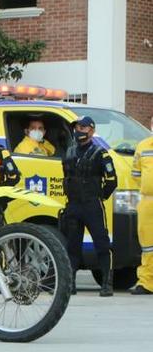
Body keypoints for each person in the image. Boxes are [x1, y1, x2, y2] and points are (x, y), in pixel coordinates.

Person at [61, 116, 118, 297]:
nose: (79, 130)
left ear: (92, 131)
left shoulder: (101, 154)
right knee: (72, 247)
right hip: (74, 206)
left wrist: (100, 196)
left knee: (101, 244)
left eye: (83, 127)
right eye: (77, 127)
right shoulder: (69, 152)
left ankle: (106, 284)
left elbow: (112, 181)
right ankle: (71, 284)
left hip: (92, 205)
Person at [130, 126, 153, 295]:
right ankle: (146, 283)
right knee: (147, 245)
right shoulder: (143, 146)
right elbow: (136, 174)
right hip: (147, 202)